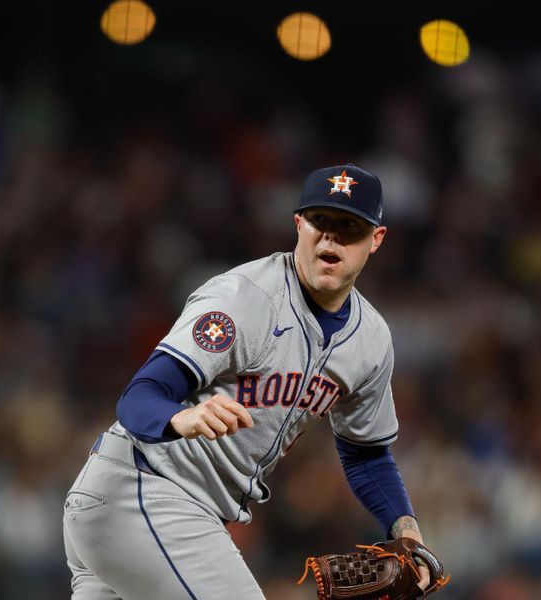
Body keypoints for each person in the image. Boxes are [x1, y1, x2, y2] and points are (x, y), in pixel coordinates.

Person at [63, 164, 435, 599]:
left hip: (138, 515)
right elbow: (140, 396)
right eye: (320, 222)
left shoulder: (370, 340)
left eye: (349, 227)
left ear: (376, 239)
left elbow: (366, 453)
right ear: (298, 225)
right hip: (144, 495)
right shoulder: (244, 299)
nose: (330, 238)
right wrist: (181, 417)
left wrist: (406, 528)